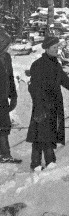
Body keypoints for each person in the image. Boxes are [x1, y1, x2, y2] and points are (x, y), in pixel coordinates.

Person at [26, 35, 69, 170]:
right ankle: (42, 164)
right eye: (54, 47)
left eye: (57, 47)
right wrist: (40, 107)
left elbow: (67, 82)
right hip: (42, 106)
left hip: (54, 106)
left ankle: (41, 164)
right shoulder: (38, 65)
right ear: (46, 48)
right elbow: (34, 89)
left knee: (47, 134)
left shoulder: (56, 65)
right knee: (41, 135)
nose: (56, 50)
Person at [0, 28, 21, 163]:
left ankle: (4, 154)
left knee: (5, 126)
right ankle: (5, 155)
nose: (8, 48)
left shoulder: (6, 58)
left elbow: (10, 77)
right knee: (2, 126)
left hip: (3, 99)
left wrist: (14, 96)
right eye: (6, 45)